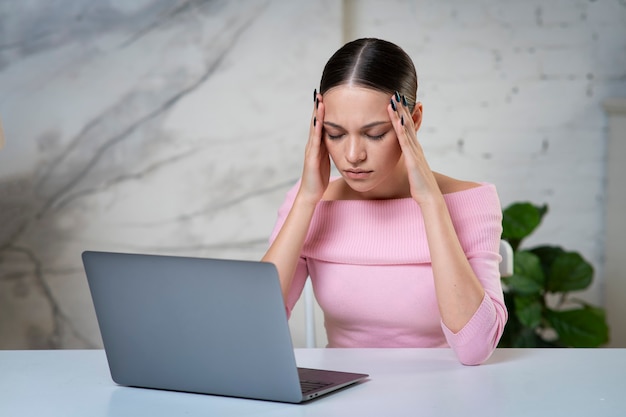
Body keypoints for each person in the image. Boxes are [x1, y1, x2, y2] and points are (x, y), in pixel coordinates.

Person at [262, 38, 507, 365]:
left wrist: (431, 203)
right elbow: (251, 328)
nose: (352, 156)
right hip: (342, 394)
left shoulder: (473, 201)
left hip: (444, 393)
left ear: (413, 120)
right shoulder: (311, 202)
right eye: (334, 134)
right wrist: (307, 199)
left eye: (375, 133)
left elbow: (474, 350)